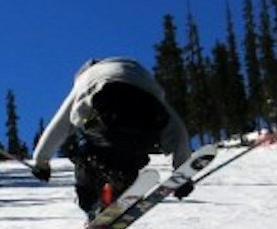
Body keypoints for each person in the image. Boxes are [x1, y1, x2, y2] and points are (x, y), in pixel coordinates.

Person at [28, 58, 195, 215]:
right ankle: (121, 183)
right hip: (145, 128)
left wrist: (41, 162)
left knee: (86, 154)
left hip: (106, 124)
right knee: (127, 155)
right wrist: (183, 174)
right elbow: (177, 130)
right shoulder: (142, 79)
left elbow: (59, 125)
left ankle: (93, 201)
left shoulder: (86, 79)